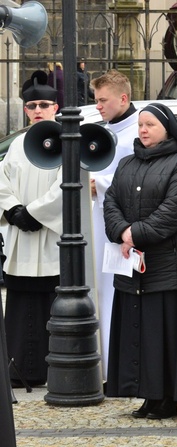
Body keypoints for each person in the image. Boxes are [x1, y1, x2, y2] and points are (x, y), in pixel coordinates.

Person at [103, 103, 177, 419]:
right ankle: (147, 394)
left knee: (166, 336)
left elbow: (173, 213)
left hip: (170, 267)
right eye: (141, 125)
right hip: (133, 267)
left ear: (167, 129)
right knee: (140, 334)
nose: (143, 130)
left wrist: (133, 234)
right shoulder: (127, 163)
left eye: (151, 125)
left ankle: (167, 398)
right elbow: (111, 203)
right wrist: (121, 231)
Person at [0, 70, 62, 388]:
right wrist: (13, 211)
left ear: (56, 107)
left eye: (44, 105)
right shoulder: (18, 144)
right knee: (21, 305)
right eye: (32, 105)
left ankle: (53, 368)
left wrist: (36, 214)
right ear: (26, 109)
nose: (37, 110)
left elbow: (67, 187)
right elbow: (2, 180)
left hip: (51, 239)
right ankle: (19, 368)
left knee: (50, 306)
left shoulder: (67, 141)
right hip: (21, 241)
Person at [89, 69, 140, 383]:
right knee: (99, 291)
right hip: (97, 222)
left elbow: (136, 173)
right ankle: (105, 366)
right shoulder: (101, 130)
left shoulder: (140, 129)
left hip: (125, 224)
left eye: (103, 100)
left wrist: (102, 183)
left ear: (123, 98)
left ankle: (122, 368)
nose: (98, 106)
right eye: (95, 100)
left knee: (119, 292)